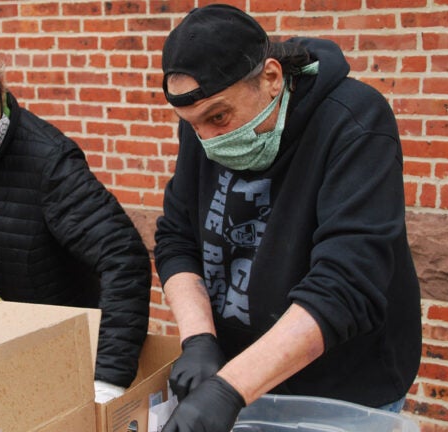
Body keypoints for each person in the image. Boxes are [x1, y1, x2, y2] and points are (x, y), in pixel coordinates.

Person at [153, 4, 422, 431]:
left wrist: (228, 390)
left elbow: (345, 286)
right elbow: (176, 237)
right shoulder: (203, 125)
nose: (208, 139)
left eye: (219, 117)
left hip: (342, 390)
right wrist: (200, 339)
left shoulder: (354, 122)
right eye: (192, 125)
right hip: (242, 377)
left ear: (272, 77)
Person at [0, 29, 151, 403]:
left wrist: (110, 377)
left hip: (56, 344)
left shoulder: (48, 160)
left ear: (1, 95)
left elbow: (123, 257)